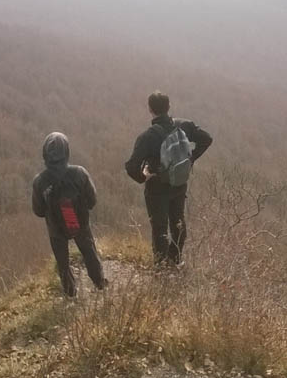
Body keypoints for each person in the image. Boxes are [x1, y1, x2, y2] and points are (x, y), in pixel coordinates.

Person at [125, 91, 212, 267]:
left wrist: (144, 177)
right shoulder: (184, 126)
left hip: (157, 189)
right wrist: (190, 159)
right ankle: (175, 261)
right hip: (179, 184)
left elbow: (131, 166)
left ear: (150, 109)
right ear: (169, 107)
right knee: (178, 223)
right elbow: (206, 139)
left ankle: (161, 268)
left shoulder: (147, 137)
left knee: (160, 229)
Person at [32, 132, 108, 295]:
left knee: (62, 263)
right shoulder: (79, 173)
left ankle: (70, 292)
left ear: (45, 154)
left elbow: (38, 211)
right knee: (89, 252)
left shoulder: (39, 181)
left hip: (56, 230)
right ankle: (100, 283)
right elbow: (92, 201)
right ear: (67, 151)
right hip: (80, 224)